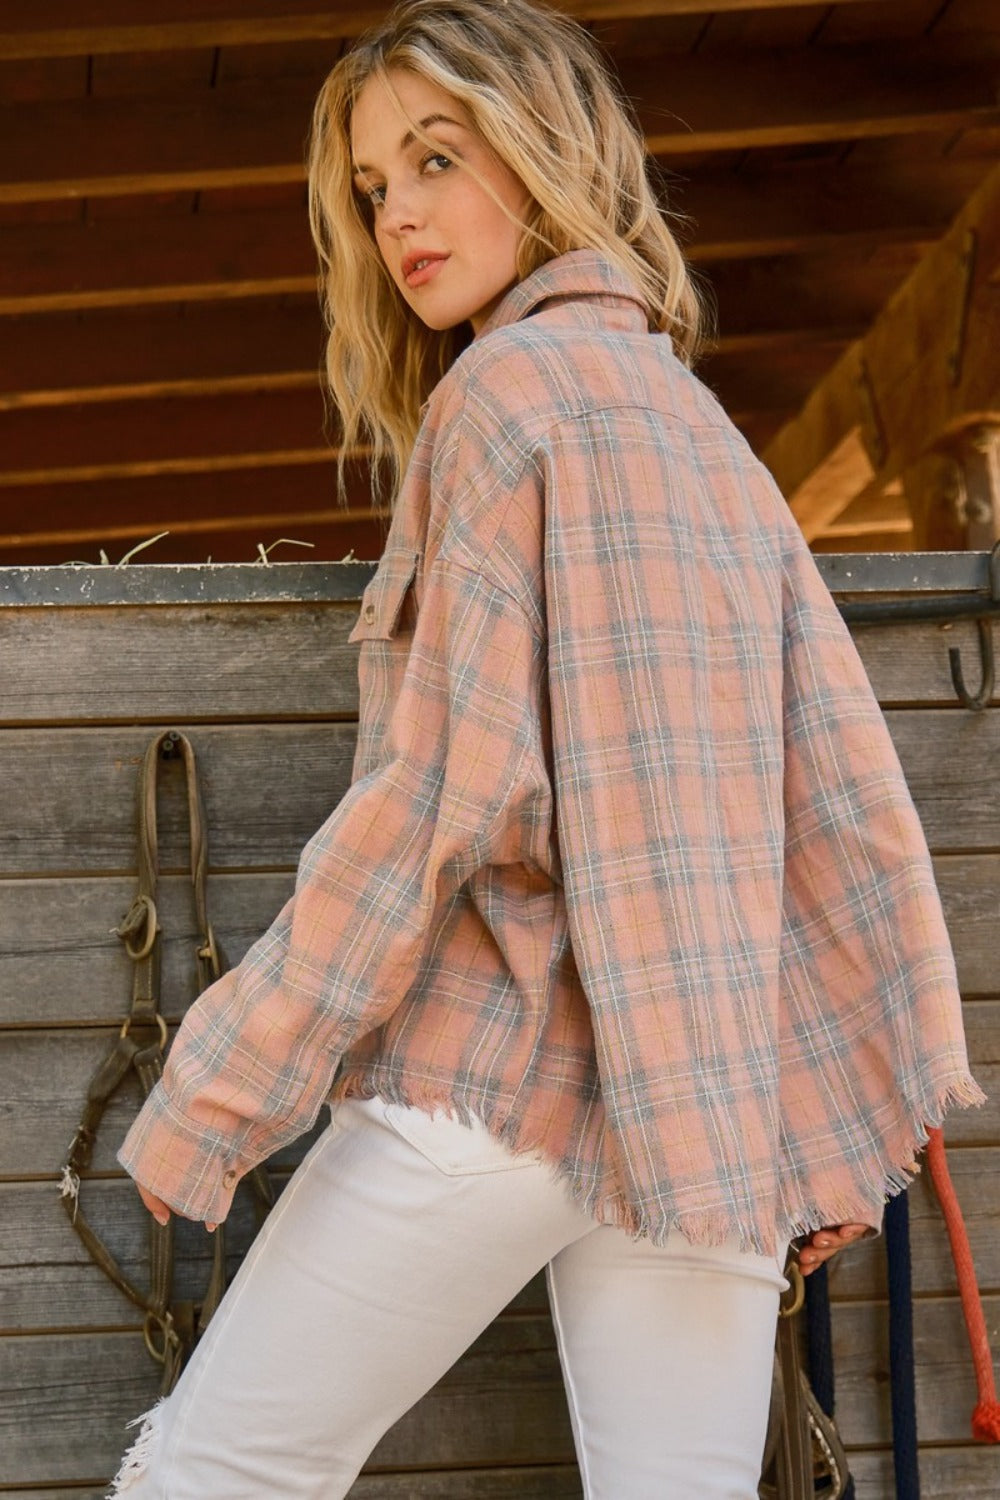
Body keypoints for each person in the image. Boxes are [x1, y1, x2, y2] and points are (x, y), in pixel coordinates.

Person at [107, 2, 984, 1495]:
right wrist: (834, 1096)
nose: (399, 218)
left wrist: (225, 1083)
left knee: (216, 1476)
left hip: (508, 1077)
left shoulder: (500, 403)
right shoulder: (701, 432)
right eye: (374, 187)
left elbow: (431, 802)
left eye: (436, 157)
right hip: (700, 1095)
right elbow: (838, 785)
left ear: (547, 147)